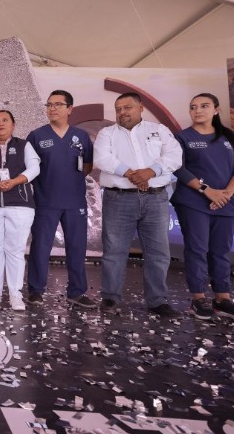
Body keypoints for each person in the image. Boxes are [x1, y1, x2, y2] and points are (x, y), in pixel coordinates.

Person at [94, 92, 183, 317]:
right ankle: (110, 298)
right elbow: (102, 158)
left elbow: (175, 155)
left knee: (158, 252)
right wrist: (131, 174)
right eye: (118, 109)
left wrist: (151, 171)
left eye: (127, 107)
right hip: (118, 198)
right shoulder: (107, 133)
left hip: (155, 198)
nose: (122, 112)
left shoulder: (159, 130)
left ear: (141, 107)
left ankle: (157, 301)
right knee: (114, 251)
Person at [171, 93, 234, 321]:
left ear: (216, 110)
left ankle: (222, 299)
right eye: (193, 107)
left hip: (228, 202)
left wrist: (226, 193)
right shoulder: (182, 137)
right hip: (194, 202)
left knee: (221, 251)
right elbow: (179, 169)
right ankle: (198, 299)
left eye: (204, 106)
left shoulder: (231, 137)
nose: (197, 110)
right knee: (197, 249)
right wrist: (208, 191)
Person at [26, 90, 97, 309]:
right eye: (49, 104)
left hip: (75, 201)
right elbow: (30, 168)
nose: (52, 108)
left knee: (77, 247)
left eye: (58, 104)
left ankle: (77, 292)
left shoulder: (81, 136)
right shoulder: (37, 136)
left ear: (70, 109)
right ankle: (36, 291)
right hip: (45, 200)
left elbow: (87, 165)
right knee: (40, 247)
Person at [0, 110, 40, 310]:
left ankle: (15, 294)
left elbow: (34, 168)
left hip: (19, 204)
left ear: (13, 124)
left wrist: (15, 181)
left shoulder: (24, 145)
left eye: (5, 120)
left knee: (15, 250)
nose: (0, 124)